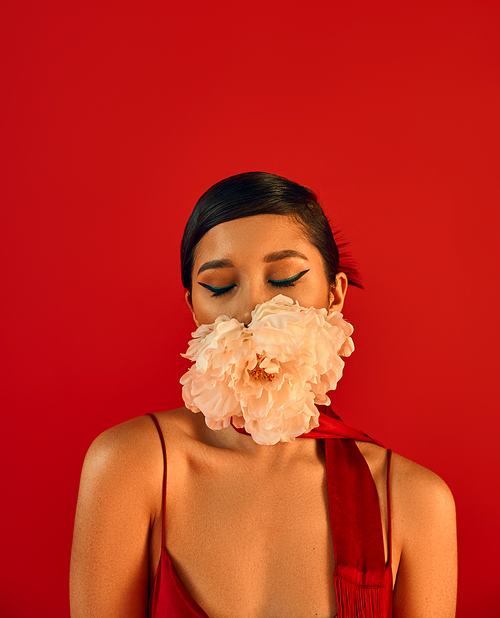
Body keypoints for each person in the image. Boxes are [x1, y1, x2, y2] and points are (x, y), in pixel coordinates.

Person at [70, 171, 457, 618]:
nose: (252, 310)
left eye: (286, 280)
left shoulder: (414, 501)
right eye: (219, 287)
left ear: (335, 296)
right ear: (194, 308)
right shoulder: (130, 465)